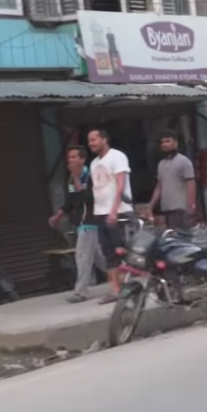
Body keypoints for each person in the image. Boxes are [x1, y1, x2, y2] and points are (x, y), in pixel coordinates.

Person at [48, 145, 106, 303]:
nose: (70, 160)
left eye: (74, 157)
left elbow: (89, 198)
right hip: (81, 222)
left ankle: (80, 292)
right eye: (69, 158)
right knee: (100, 258)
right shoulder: (71, 179)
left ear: (82, 159)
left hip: (91, 221)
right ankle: (123, 278)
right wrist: (59, 215)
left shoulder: (90, 176)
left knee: (82, 256)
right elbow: (72, 200)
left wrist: (75, 179)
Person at [88, 127, 134, 304]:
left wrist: (114, 211)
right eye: (90, 140)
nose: (91, 143)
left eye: (94, 139)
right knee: (108, 253)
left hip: (119, 212)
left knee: (122, 250)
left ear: (104, 139)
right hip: (101, 213)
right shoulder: (93, 164)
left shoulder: (117, 157)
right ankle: (115, 289)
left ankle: (128, 286)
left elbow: (120, 185)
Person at [149, 130, 196, 232]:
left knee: (181, 238)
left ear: (176, 143)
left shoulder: (184, 161)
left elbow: (190, 183)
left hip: (180, 208)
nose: (164, 144)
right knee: (171, 237)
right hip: (166, 208)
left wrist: (191, 205)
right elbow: (159, 186)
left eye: (168, 141)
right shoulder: (161, 164)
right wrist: (151, 205)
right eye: (162, 142)